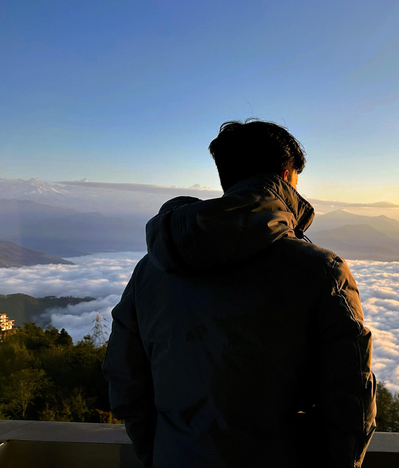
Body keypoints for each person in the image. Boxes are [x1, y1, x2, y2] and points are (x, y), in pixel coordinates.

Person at [103, 119, 376, 467]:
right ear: (286, 176)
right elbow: (350, 399)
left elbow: (125, 381)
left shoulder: (151, 270)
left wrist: (161, 453)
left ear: (226, 178)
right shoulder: (321, 271)